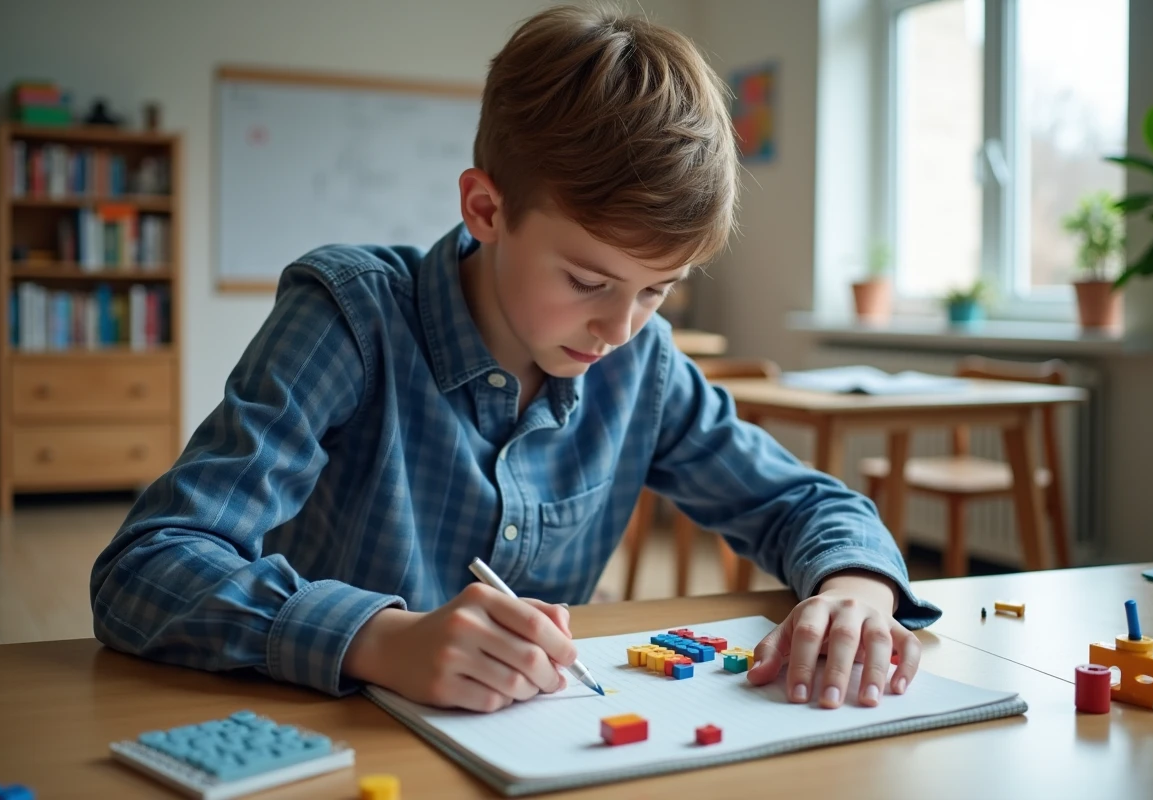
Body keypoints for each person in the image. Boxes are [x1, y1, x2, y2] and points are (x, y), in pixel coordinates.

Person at [91, 4, 941, 715]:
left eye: (657, 290)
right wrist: (379, 640)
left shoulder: (641, 365)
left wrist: (854, 592)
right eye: (587, 281)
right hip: (322, 737)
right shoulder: (349, 318)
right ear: (486, 209)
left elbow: (803, 502)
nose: (620, 328)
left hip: (533, 743)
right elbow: (146, 566)